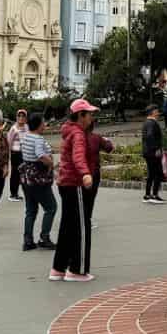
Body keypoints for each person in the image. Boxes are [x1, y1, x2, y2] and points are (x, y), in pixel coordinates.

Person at [51, 99, 99, 282]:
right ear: (81, 115)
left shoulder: (69, 130)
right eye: (89, 113)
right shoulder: (78, 134)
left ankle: (58, 268)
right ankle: (77, 270)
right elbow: (78, 156)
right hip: (75, 184)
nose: (92, 117)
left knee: (67, 226)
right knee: (81, 227)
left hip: (66, 183)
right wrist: (86, 174)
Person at [19, 113, 57, 251]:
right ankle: (44, 237)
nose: (45, 124)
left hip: (26, 177)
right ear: (39, 124)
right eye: (43, 122)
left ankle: (28, 240)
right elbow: (40, 154)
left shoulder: (26, 136)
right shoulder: (38, 139)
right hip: (38, 178)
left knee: (31, 210)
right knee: (51, 207)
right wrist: (51, 163)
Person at [84, 112, 113, 229]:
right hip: (93, 172)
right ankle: (87, 220)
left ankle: (80, 219)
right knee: (90, 198)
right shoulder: (96, 138)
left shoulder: (76, 136)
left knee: (81, 198)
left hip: (79, 173)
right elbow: (109, 148)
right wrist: (107, 140)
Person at [142, 104, 166, 203]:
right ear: (152, 112)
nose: (158, 112)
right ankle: (154, 195)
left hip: (148, 152)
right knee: (158, 173)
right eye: (157, 110)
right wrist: (156, 148)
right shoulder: (152, 123)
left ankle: (147, 195)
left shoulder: (147, 123)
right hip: (152, 152)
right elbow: (149, 136)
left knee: (151, 174)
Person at [6, 109, 29, 202]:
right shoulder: (13, 128)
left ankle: (26, 192)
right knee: (15, 173)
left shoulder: (27, 127)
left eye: (23, 116)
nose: (21, 118)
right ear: (16, 117)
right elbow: (9, 142)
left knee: (25, 173)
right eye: (19, 116)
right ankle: (13, 194)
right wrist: (8, 155)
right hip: (16, 153)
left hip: (25, 153)